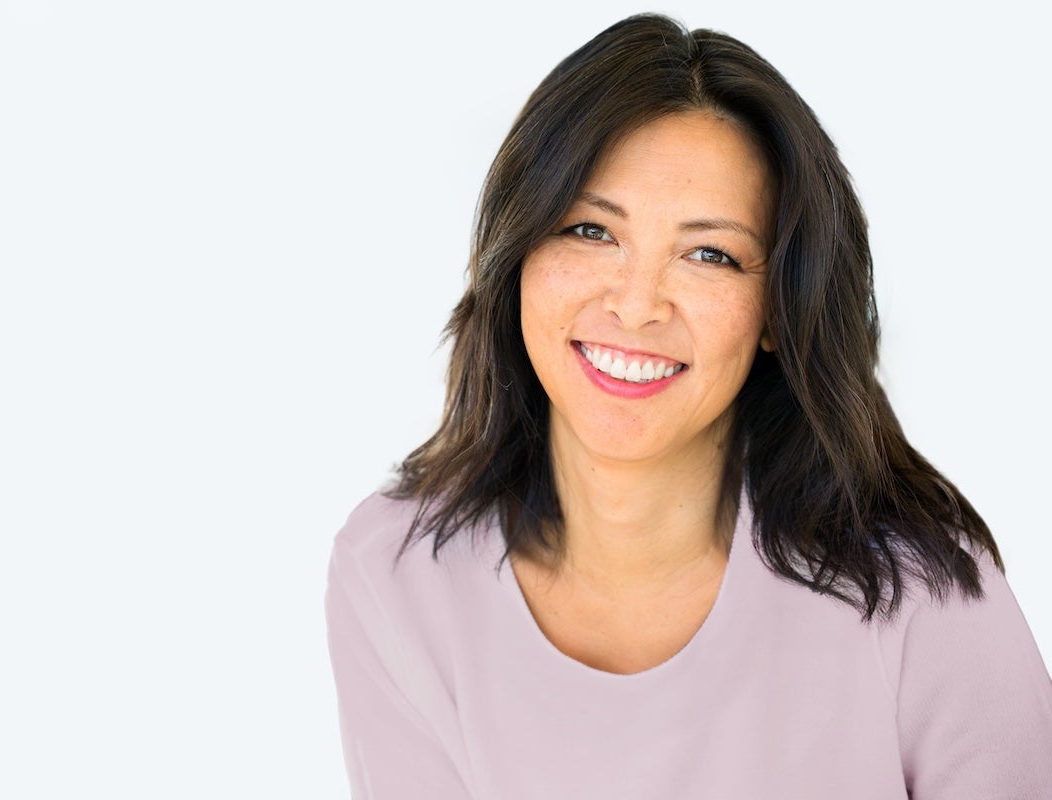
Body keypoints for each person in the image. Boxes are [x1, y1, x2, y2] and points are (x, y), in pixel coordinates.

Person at [323, 13, 1052, 799]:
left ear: (778, 309)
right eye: (590, 229)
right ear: (517, 255)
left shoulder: (920, 600)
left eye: (710, 254)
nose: (637, 306)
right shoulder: (395, 575)